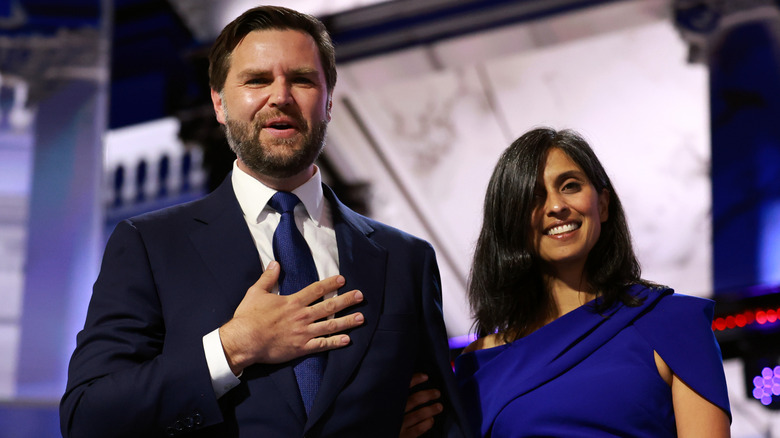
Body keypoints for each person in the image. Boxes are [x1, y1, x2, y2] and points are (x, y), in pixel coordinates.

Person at [60, 6, 467, 437]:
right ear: (219, 102)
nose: (281, 96)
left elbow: (442, 421)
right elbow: (90, 417)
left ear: (328, 101)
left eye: (303, 80)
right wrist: (233, 346)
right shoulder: (149, 245)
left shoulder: (406, 258)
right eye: (257, 80)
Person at [454, 127, 731, 437]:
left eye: (570, 186)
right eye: (533, 196)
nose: (556, 206)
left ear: (603, 203)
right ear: (510, 221)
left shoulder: (674, 323)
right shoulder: (480, 364)